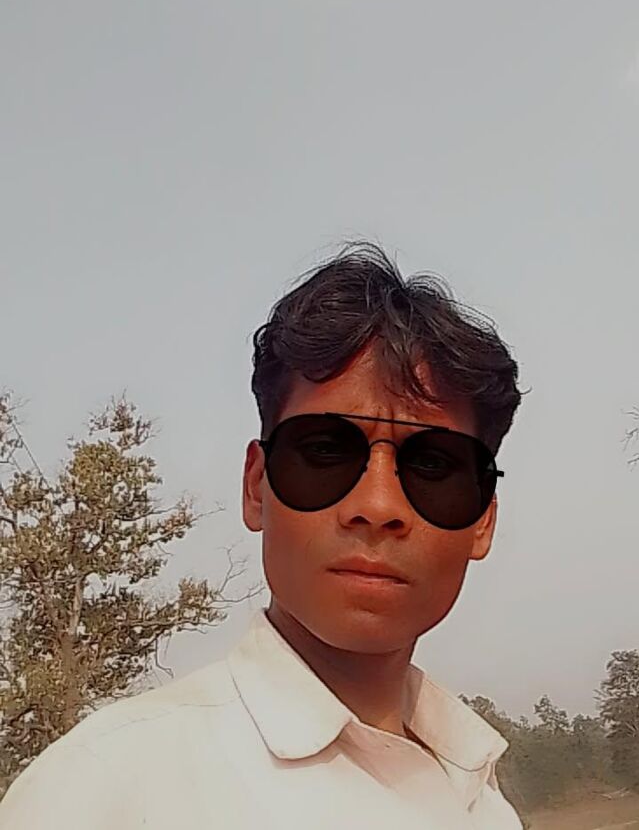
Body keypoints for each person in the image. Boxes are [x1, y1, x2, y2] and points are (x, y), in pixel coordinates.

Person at [0, 242, 524, 828]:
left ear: (483, 519)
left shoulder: (482, 798)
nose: (377, 507)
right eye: (324, 451)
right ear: (256, 487)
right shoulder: (103, 791)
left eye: (432, 465)